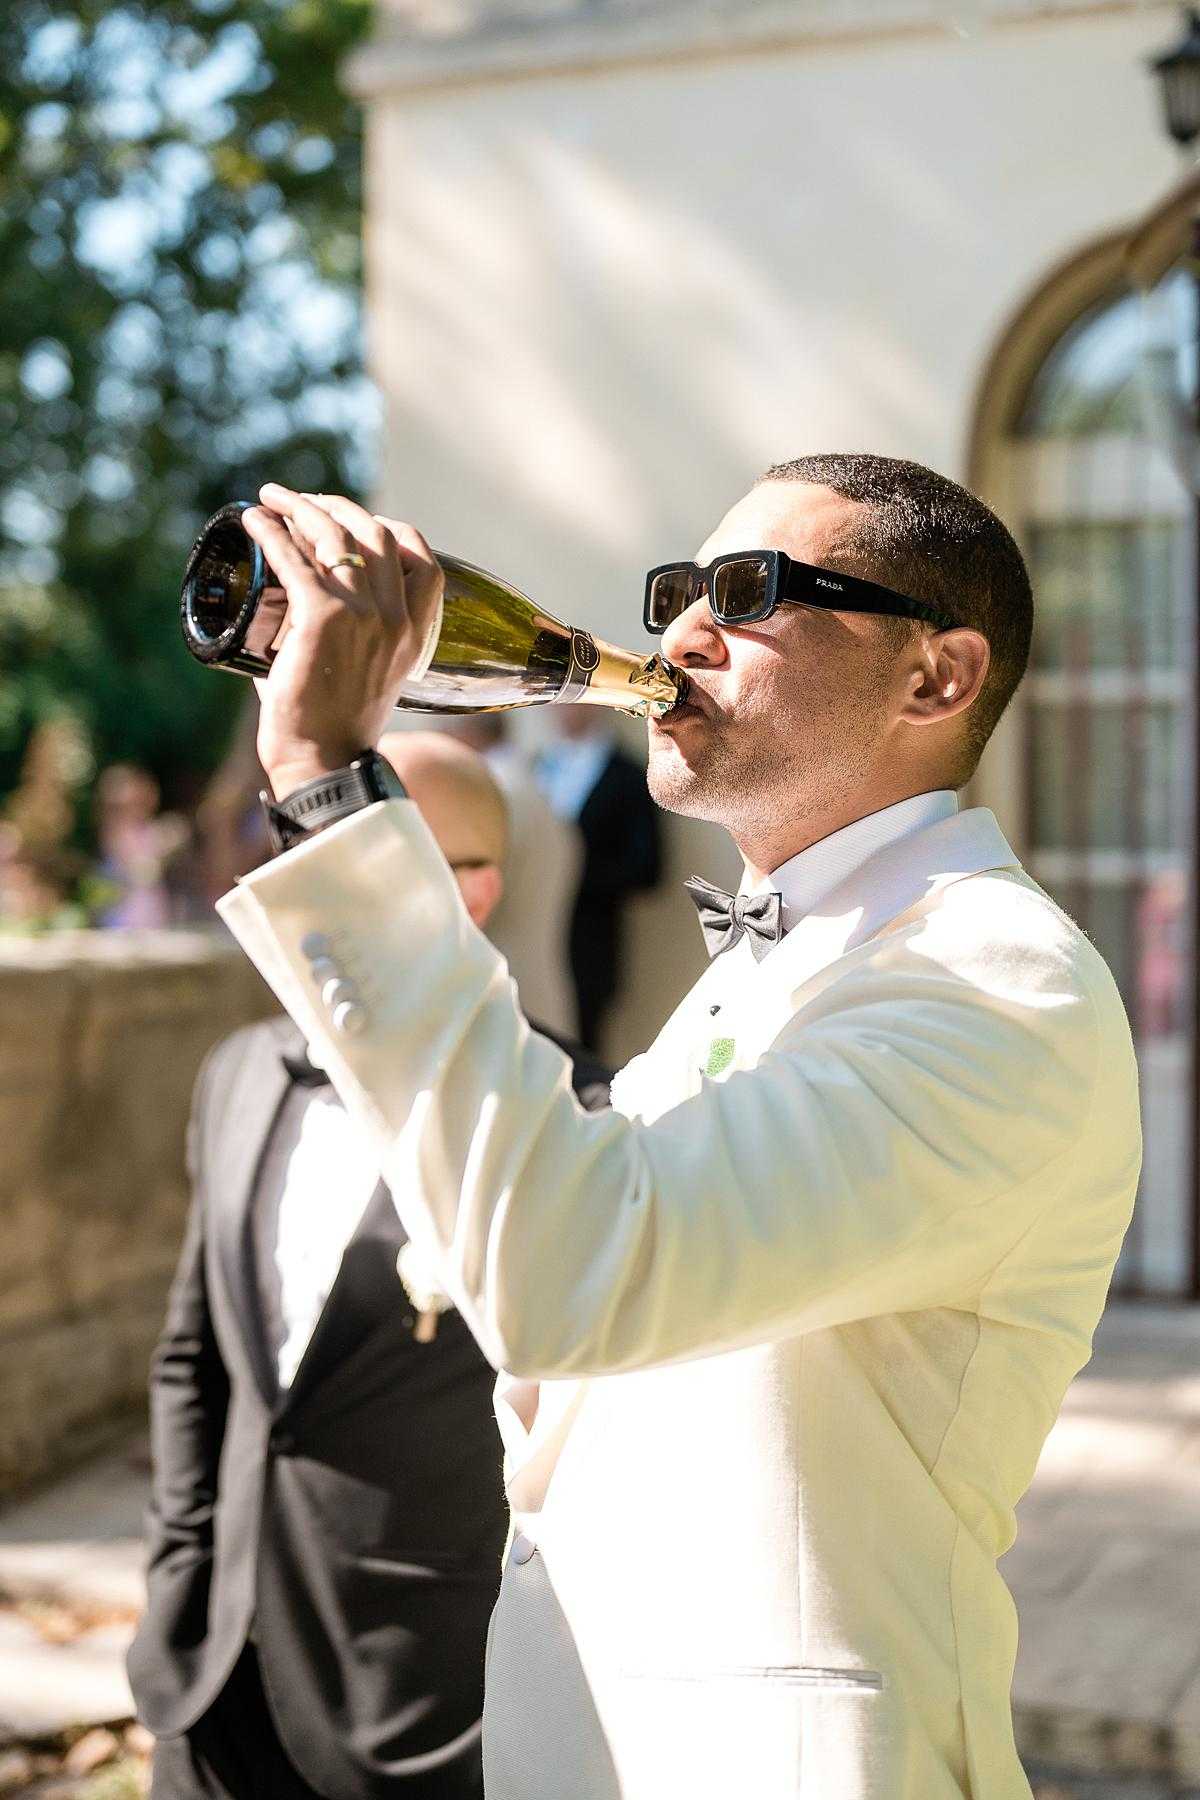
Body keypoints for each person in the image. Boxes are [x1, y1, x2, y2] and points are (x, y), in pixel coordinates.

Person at [216, 457, 1142, 1800]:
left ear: (935, 679)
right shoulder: (785, 957)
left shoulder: (995, 981)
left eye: (750, 592)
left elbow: (573, 1270)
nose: (682, 633)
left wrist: (329, 792)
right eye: (677, 591)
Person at [127, 731, 611, 1800]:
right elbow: (193, 1362)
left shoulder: (579, 1122)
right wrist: (178, 1575)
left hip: (425, 1706)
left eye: (358, 849)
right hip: (210, 1691)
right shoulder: (240, 1072)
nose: (310, 883)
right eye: (297, 846)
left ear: (473, 895)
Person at [438, 714, 580, 1036]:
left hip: (505, 997)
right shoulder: (537, 787)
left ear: (463, 728)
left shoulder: (491, 796)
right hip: (542, 980)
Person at [535, 709, 661, 1053]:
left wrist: (575, 874)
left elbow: (647, 870)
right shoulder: (537, 767)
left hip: (591, 948)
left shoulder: (627, 774)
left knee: (584, 1053)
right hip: (535, 941)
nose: (563, 710)